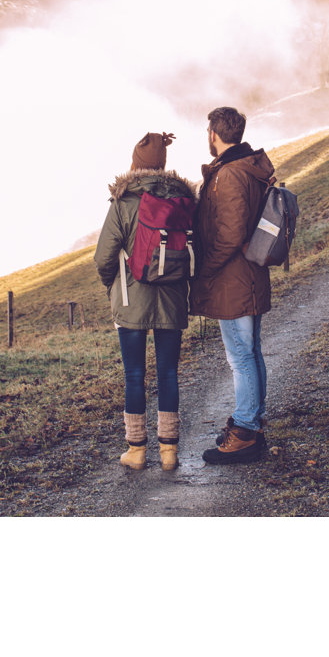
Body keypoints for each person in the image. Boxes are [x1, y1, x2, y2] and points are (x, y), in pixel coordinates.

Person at [94, 131, 197, 471]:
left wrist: (114, 285)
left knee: (134, 375)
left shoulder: (123, 203)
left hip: (130, 299)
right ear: (163, 165)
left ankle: (136, 451)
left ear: (135, 165)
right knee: (169, 374)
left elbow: (103, 257)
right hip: (172, 299)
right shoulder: (183, 201)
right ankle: (169, 452)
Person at [190, 106, 277, 464]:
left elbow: (230, 235)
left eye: (208, 131)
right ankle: (249, 423)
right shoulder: (249, 167)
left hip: (233, 279)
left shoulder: (229, 175)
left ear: (214, 133)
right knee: (250, 351)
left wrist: (205, 270)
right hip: (248, 275)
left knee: (240, 355)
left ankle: (244, 432)